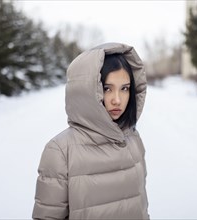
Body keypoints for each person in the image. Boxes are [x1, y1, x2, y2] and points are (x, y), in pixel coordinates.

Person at [32, 42, 149, 219]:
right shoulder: (61, 151)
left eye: (124, 88)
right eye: (107, 88)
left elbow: (141, 208)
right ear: (86, 91)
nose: (117, 100)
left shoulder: (133, 139)